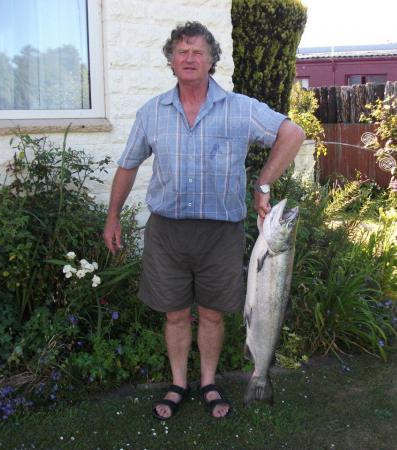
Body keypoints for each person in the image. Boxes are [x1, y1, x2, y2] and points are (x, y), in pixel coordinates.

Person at [103, 21, 304, 420]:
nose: (189, 58)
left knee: (212, 313)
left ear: (212, 59)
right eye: (182, 51)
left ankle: (209, 382)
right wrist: (112, 218)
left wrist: (263, 182)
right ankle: (179, 383)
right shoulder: (151, 113)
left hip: (221, 233)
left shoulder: (240, 109)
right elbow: (127, 166)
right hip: (167, 232)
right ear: (171, 60)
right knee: (175, 313)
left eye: (198, 51)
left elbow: (293, 134)